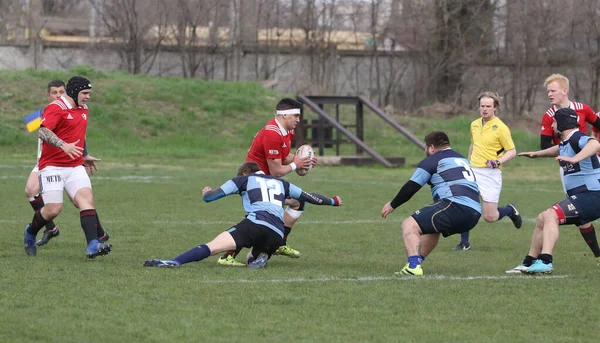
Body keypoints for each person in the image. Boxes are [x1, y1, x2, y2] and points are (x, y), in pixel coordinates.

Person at [143, 162, 342, 269]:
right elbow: (308, 197)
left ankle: (174, 262)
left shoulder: (242, 180)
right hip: (277, 232)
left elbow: (211, 198)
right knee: (251, 258)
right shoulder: (281, 184)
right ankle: (260, 255)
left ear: (244, 174)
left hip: (255, 224)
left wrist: (205, 192)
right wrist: (333, 201)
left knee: (213, 247)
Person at [506, 73, 600, 272]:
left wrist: (575, 159)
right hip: (583, 194)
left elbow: (594, 143)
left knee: (550, 216)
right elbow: (558, 149)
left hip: (592, 195)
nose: (552, 125)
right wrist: (537, 154)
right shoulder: (567, 140)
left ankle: (546, 261)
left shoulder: (576, 138)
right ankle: (529, 261)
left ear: (563, 124)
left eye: (555, 122)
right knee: (542, 217)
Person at [217, 98, 315, 266]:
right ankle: (227, 256)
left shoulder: (286, 131)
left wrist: (303, 161)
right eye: (295, 116)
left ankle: (279, 243)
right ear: (284, 115)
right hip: (253, 180)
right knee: (259, 217)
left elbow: (283, 157)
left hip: (267, 180)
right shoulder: (272, 133)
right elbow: (277, 170)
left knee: (298, 203)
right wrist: (295, 164)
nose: (298, 120)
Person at [23, 76, 112, 259]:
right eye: (85, 93)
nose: (88, 97)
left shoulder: (83, 109)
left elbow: (79, 132)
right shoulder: (56, 107)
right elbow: (42, 130)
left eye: (89, 93)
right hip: (52, 167)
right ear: (74, 91)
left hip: (74, 166)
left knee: (86, 201)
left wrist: (84, 155)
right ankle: (31, 233)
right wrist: (63, 145)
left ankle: (93, 245)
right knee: (53, 209)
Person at [381, 131, 481, 276]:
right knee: (432, 228)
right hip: (475, 211)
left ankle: (413, 266)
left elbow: (412, 186)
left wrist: (392, 204)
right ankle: (416, 263)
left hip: (455, 205)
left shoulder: (432, 160)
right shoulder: (461, 158)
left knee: (409, 224)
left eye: (426, 147)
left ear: (431, 147)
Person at [452, 91, 522, 251]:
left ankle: (510, 210)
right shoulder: (474, 124)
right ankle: (464, 243)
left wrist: (497, 162)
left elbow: (512, 151)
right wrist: (467, 164)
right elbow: (473, 144)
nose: (484, 109)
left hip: (491, 173)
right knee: (465, 205)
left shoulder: (501, 128)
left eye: (488, 106)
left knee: (490, 217)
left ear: (495, 107)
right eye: (482, 106)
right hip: (472, 171)